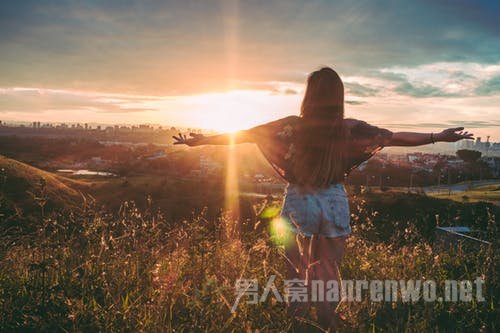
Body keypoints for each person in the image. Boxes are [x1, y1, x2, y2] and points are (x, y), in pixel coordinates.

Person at [173, 67, 473, 331]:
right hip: (333, 199)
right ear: (338, 96)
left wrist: (200, 141)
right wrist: (438, 136)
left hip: (299, 199)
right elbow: (394, 136)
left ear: (309, 95)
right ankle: (328, 319)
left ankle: (299, 318)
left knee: (296, 266)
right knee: (327, 267)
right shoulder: (349, 128)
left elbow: (244, 134)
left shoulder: (290, 125)